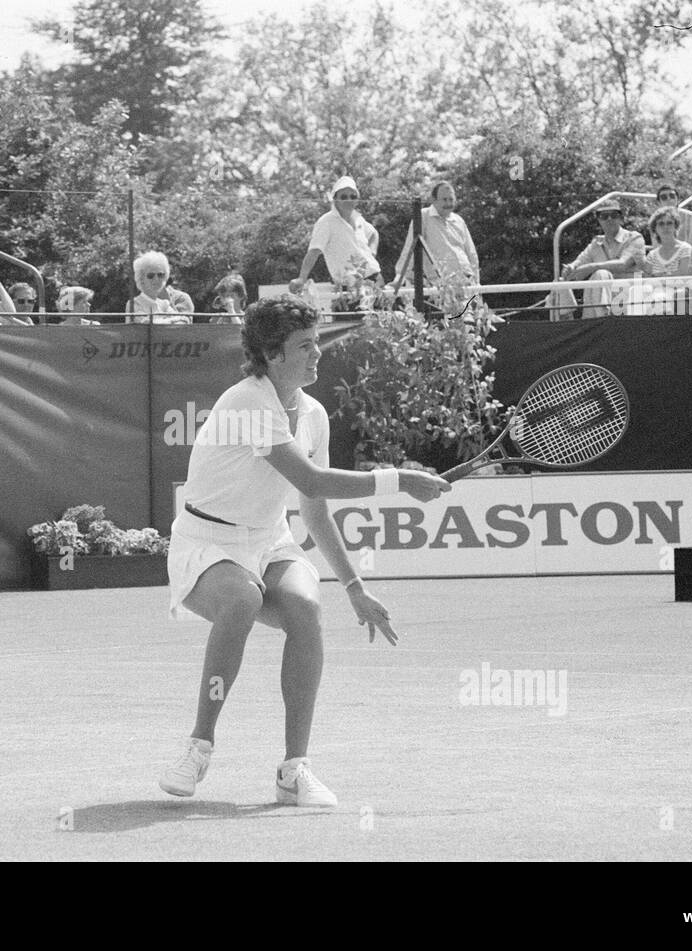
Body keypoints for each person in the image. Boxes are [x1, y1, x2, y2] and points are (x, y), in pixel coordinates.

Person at [158, 294, 450, 806]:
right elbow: (312, 477)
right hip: (204, 543)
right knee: (243, 599)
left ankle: (294, 770)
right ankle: (198, 747)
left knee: (306, 606)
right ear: (272, 355)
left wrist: (356, 588)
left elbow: (313, 509)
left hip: (268, 539)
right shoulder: (247, 400)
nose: (318, 353)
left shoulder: (313, 414)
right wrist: (398, 479)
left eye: (317, 342)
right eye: (305, 345)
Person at [554, 200, 646, 318]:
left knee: (601, 274)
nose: (609, 219)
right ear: (599, 220)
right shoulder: (596, 243)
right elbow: (579, 262)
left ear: (620, 218)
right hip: (599, 301)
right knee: (560, 282)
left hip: (628, 299)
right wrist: (570, 269)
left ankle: (602, 323)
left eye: (614, 215)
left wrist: (592, 267)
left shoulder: (634, 238)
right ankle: (566, 321)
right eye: (604, 216)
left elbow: (623, 264)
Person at [289, 176, 381, 294]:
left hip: (375, 277)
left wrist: (372, 253)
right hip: (348, 284)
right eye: (344, 196)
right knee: (353, 312)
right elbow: (314, 251)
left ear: (357, 200)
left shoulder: (358, 218)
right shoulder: (326, 222)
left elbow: (374, 233)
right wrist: (302, 278)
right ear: (335, 199)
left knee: (384, 312)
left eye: (353, 196)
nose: (349, 200)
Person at [391, 180, 480, 289]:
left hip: (467, 279)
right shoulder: (423, 216)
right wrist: (400, 277)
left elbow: (471, 253)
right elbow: (410, 248)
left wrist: (477, 284)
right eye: (444, 199)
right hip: (442, 282)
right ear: (433, 200)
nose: (448, 204)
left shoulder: (458, 220)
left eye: (451, 199)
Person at [128, 251, 192, 324]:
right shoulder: (134, 303)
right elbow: (148, 324)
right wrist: (171, 321)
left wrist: (167, 322)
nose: (156, 279)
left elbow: (184, 320)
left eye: (160, 275)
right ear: (141, 279)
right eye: (150, 276)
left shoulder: (164, 304)